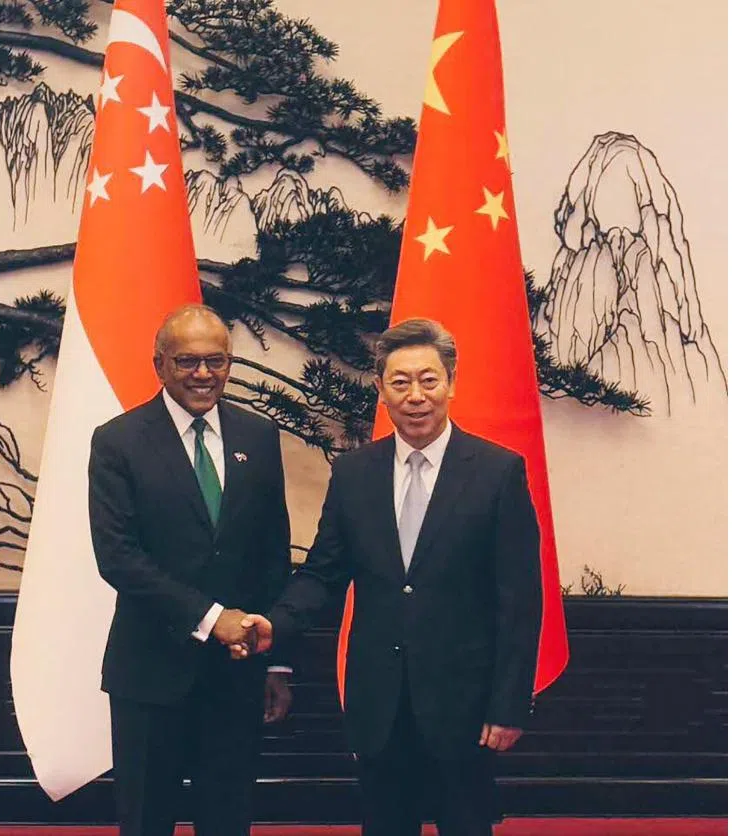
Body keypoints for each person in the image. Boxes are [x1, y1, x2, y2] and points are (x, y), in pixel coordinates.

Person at [234, 318, 543, 836]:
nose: (416, 396)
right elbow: (322, 575)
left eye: (428, 380)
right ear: (381, 391)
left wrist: (508, 705)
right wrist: (275, 624)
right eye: (400, 382)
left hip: (464, 707)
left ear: (451, 383)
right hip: (379, 705)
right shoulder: (355, 473)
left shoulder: (497, 473)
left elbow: (519, 600)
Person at [88, 304, 293, 836]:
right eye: (188, 361)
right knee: (146, 820)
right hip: (151, 673)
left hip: (236, 674)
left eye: (216, 361)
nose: (204, 375)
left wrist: (276, 664)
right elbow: (118, 556)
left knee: (228, 819)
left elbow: (272, 553)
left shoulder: (258, 436)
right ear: (159, 365)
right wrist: (210, 618)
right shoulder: (118, 441)